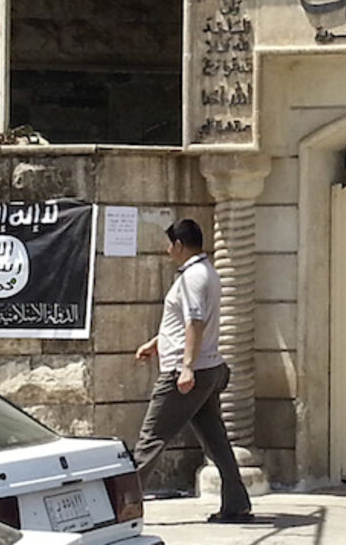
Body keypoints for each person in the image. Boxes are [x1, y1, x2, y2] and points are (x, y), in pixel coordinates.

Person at [132, 218, 253, 523]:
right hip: (207, 368)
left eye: (170, 244)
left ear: (179, 245)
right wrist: (156, 343)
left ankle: (123, 506)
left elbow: (195, 323)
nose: (167, 250)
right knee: (216, 440)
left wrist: (185, 367)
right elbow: (184, 322)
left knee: (150, 440)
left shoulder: (192, 277)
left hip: (185, 374)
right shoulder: (206, 273)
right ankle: (236, 503)